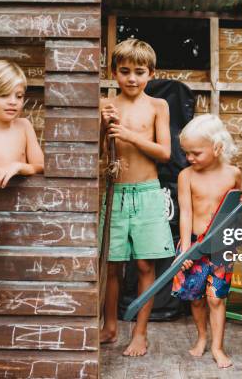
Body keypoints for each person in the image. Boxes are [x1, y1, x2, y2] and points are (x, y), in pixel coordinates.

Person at [99, 38, 174, 357]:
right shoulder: (105, 105)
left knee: (145, 264)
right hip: (115, 192)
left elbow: (166, 153)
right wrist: (104, 130)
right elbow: (101, 152)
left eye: (139, 72)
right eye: (124, 71)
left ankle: (140, 333)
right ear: (113, 72)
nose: (132, 78)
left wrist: (130, 135)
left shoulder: (159, 106)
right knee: (112, 265)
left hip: (147, 192)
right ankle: (110, 326)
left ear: (151, 73)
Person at [171, 114, 242, 368]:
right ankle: (201, 337)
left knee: (216, 297)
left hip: (222, 246)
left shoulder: (234, 174)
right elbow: (186, 212)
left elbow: (239, 210)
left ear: (217, 147)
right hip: (193, 243)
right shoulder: (186, 176)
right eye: (186, 152)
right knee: (196, 297)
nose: (189, 158)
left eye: (196, 153)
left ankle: (217, 347)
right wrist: (186, 250)